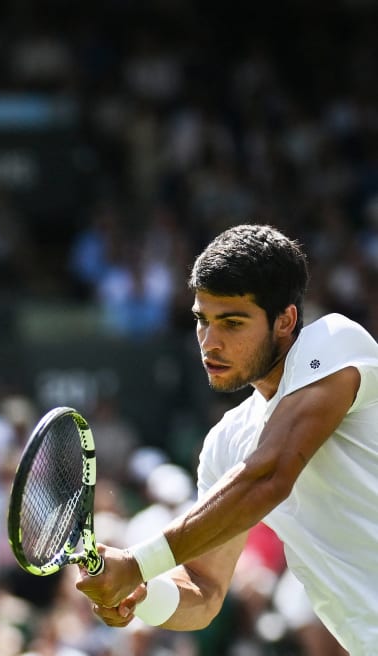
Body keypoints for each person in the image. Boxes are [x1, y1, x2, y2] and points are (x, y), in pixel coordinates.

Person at [75, 224, 374, 653]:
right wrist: (143, 593)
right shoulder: (225, 444)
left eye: (232, 322)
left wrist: (138, 563)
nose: (209, 342)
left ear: (286, 320)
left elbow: (269, 476)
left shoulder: (335, 343)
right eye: (202, 320)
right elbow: (205, 588)